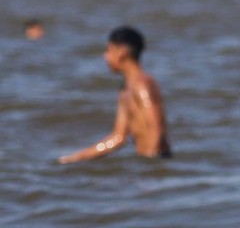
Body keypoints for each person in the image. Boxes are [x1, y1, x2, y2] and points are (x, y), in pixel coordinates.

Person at [59, 26, 171, 164]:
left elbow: (156, 129)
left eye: (109, 50)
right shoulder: (125, 90)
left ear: (122, 52)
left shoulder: (143, 84)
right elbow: (118, 137)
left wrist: (151, 168)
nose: (105, 56)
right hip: (145, 164)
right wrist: (75, 158)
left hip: (157, 161)